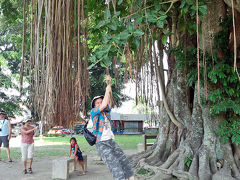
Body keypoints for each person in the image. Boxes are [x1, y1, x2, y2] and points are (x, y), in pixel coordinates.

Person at [90, 75, 134, 180]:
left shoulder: (107, 112)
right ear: (94, 106)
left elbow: (107, 101)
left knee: (124, 162)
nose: (100, 103)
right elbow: (105, 103)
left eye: (100, 101)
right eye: (97, 103)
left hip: (111, 141)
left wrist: (108, 84)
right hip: (102, 143)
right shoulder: (93, 112)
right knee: (116, 168)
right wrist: (106, 89)